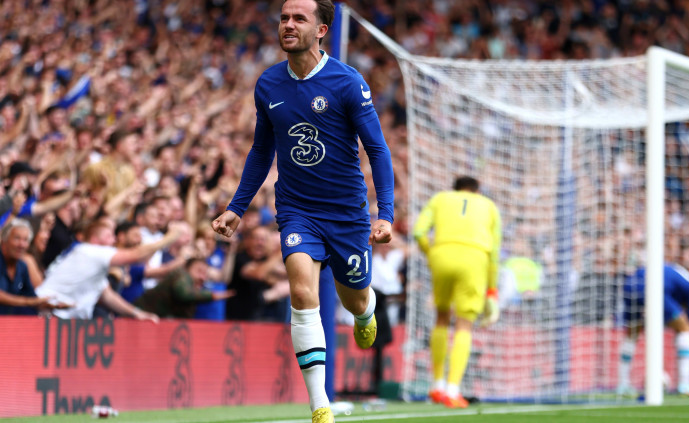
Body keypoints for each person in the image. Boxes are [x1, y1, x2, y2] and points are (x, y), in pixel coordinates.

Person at [212, 0, 395, 421]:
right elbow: (261, 151)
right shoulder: (268, 84)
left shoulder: (347, 82)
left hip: (347, 214)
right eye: (283, 18)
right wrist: (237, 207)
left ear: (321, 30)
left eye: (299, 18)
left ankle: (366, 310)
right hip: (297, 210)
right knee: (301, 292)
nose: (288, 25)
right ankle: (319, 405)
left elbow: (378, 150)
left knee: (354, 299)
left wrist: (385, 214)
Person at [413, 176, 501, 408]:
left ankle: (437, 386)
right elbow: (494, 251)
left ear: (455, 189)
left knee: (441, 317)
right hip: (475, 257)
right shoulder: (489, 206)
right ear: (477, 191)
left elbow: (419, 232)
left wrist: (431, 253)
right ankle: (453, 390)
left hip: (441, 254)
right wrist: (492, 288)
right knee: (464, 324)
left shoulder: (440, 199)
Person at [35, 220, 183, 321]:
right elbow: (137, 255)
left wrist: (138, 314)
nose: (113, 240)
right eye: (108, 236)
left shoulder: (91, 261)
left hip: (58, 318)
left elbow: (108, 296)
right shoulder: (90, 251)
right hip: (46, 314)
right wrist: (170, 237)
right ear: (94, 239)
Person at [617, 263, 689, 398]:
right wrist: (683, 334)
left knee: (632, 333)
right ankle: (685, 384)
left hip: (630, 285)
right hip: (654, 286)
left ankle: (623, 385)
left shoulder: (678, 273)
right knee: (685, 328)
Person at [0, 218, 68, 314]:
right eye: (17, 238)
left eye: (25, 240)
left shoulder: (22, 267)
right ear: (4, 240)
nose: (21, 245)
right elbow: (29, 301)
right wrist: (27, 302)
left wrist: (53, 304)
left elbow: (32, 297)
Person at [134, 258, 236, 319]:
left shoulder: (193, 288)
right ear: (186, 268)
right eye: (199, 271)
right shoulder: (180, 274)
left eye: (205, 274)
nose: (203, 278)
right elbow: (183, 294)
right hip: (136, 316)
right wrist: (212, 295)